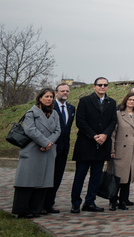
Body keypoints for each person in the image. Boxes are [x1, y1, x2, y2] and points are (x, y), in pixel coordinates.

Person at [12, 88, 61, 218]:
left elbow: (58, 130)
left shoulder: (55, 113)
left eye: (51, 97)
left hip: (48, 151)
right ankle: (22, 210)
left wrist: (48, 143)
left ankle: (36, 209)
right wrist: (44, 142)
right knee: (27, 181)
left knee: (42, 181)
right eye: (46, 96)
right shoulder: (32, 112)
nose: (49, 99)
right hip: (33, 150)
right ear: (40, 98)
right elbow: (30, 130)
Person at [71, 76, 117, 213]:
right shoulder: (85, 101)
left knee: (96, 177)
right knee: (80, 176)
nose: (102, 87)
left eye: (105, 85)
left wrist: (105, 135)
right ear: (94, 86)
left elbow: (113, 121)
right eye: (100, 85)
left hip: (102, 145)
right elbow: (80, 121)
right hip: (86, 144)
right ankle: (75, 203)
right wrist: (93, 135)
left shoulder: (111, 102)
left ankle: (90, 202)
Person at [44, 83, 75, 214]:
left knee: (57, 176)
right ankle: (41, 203)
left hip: (64, 147)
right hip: (51, 146)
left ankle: (49, 203)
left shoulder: (71, 108)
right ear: (56, 93)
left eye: (67, 91)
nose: (65, 93)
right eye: (62, 91)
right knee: (47, 176)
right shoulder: (49, 107)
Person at [111, 92, 134, 210]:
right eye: (129, 99)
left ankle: (123, 200)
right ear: (125, 100)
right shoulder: (118, 114)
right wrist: (112, 149)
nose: (131, 102)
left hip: (132, 149)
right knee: (117, 177)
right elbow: (113, 133)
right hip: (120, 149)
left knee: (127, 178)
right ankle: (113, 200)